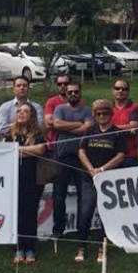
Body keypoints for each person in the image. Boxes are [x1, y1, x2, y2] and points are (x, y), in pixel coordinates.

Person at [77, 100, 126, 264]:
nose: (102, 116)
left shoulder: (117, 133)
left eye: (105, 113)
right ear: (94, 115)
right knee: (85, 212)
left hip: (108, 180)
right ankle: (81, 246)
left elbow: (120, 156)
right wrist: (91, 169)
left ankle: (101, 248)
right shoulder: (89, 131)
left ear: (111, 114)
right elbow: (81, 151)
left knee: (105, 215)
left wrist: (102, 169)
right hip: (88, 178)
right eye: (98, 114)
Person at [3, 103, 46, 265]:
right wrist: (28, 150)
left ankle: (30, 248)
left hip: (34, 179)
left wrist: (18, 150)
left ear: (32, 115)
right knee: (18, 213)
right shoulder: (10, 132)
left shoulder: (38, 133)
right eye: (19, 111)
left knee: (30, 213)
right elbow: (7, 152)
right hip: (15, 179)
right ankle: (18, 247)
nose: (21, 113)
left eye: (26, 111)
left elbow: (41, 150)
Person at [50, 82, 93, 238]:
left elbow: (88, 128)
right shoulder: (60, 108)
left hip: (82, 158)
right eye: (70, 92)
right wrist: (78, 125)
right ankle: (58, 230)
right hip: (62, 157)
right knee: (59, 195)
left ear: (80, 93)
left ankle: (82, 230)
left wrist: (66, 127)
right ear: (66, 94)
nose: (73, 94)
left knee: (83, 195)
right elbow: (56, 124)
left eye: (76, 91)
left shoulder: (87, 110)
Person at [111, 78, 138, 168]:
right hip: (111, 155)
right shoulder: (108, 108)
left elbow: (133, 126)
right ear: (112, 90)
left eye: (124, 89)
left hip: (129, 156)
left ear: (128, 91)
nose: (120, 91)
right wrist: (125, 128)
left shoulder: (134, 107)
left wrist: (111, 129)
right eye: (117, 88)